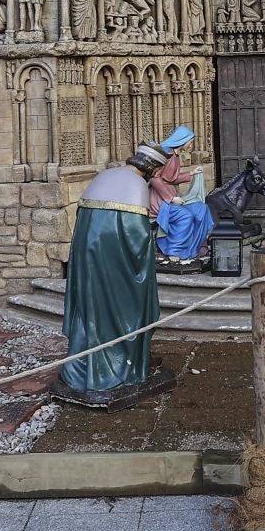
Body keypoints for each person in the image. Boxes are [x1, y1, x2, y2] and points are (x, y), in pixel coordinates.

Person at [61, 143, 166, 393]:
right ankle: (115, 369)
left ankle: (78, 368)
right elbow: (136, 239)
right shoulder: (137, 186)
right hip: (114, 263)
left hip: (89, 259)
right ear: (151, 168)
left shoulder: (104, 176)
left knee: (90, 308)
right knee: (121, 308)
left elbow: (82, 223)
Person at [150, 125, 215, 261]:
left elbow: (171, 179)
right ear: (183, 140)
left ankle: (195, 247)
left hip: (173, 199)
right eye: (190, 141)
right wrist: (171, 198)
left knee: (201, 209)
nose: (191, 145)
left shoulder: (175, 155)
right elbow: (154, 178)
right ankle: (174, 250)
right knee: (186, 216)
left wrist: (191, 173)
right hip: (160, 202)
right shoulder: (165, 154)